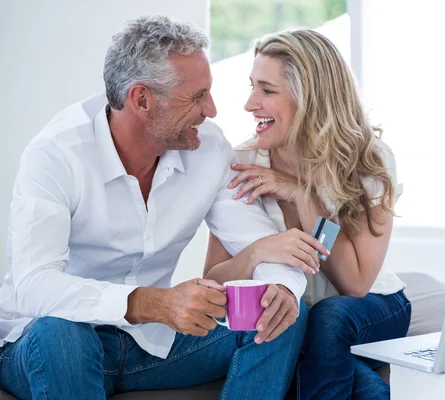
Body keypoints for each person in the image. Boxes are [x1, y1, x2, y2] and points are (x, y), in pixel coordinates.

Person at [0, 15, 320, 400]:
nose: (213, 110)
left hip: (149, 345)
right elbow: (33, 285)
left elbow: (266, 243)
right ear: (142, 100)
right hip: (51, 343)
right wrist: (152, 302)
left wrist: (283, 286)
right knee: (61, 331)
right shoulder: (57, 154)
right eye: (197, 96)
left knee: (285, 314)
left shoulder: (209, 148)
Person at [204, 29, 412, 400]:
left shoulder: (370, 160)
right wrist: (255, 254)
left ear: (311, 98)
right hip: (298, 317)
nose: (250, 104)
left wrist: (301, 194)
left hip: (370, 307)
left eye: (267, 90)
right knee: (299, 327)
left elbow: (355, 282)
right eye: (252, 87)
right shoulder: (242, 164)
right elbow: (215, 282)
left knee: (327, 318)